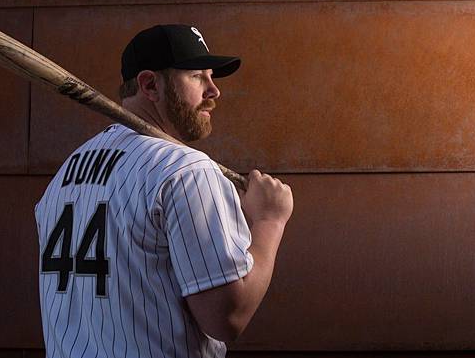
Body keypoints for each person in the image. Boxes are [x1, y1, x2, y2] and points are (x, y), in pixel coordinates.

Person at [34, 24, 293, 358]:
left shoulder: (66, 172)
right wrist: (270, 222)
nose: (214, 91)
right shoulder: (187, 171)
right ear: (150, 84)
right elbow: (228, 318)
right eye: (198, 76)